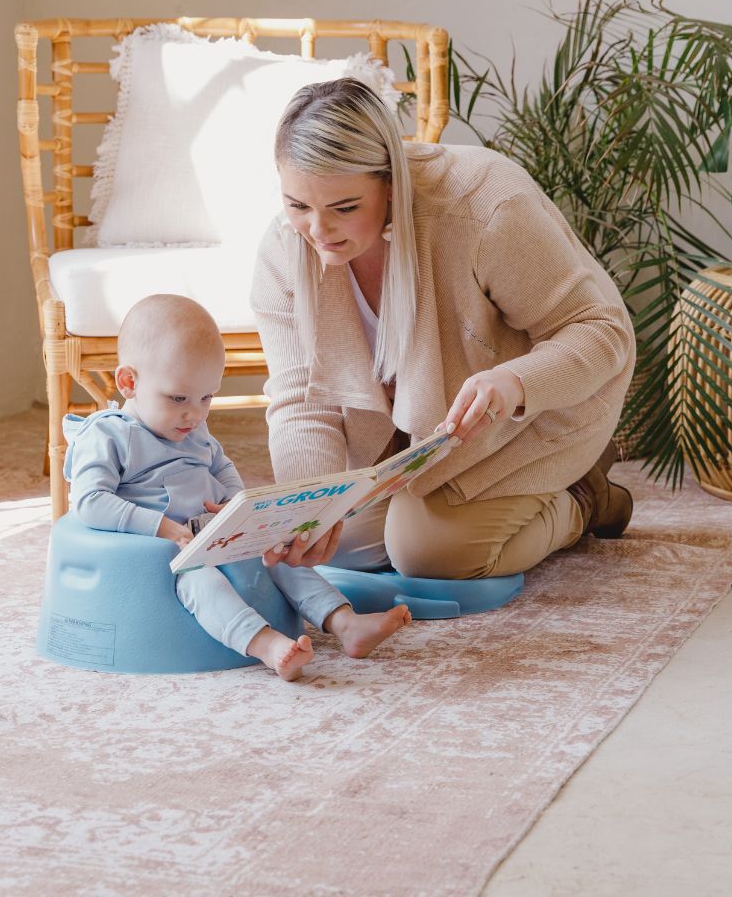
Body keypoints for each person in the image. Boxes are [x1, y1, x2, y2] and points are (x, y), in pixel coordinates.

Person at [250, 78, 637, 580]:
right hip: (419, 429)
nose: (318, 231)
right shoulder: (285, 249)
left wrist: (515, 382)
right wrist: (309, 510)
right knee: (339, 545)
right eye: (298, 205)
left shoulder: (484, 205)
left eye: (345, 208)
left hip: (531, 410)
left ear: (391, 184)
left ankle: (584, 496)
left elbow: (601, 331)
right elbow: (303, 399)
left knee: (428, 554)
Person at [62, 294, 411, 681]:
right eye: (178, 398)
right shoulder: (107, 435)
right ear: (129, 382)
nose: (195, 413)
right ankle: (267, 645)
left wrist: (237, 503)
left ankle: (345, 623)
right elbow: (90, 501)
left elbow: (220, 464)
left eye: (207, 397)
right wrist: (164, 528)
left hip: (214, 535)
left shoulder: (191, 427)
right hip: (169, 554)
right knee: (203, 583)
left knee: (277, 559)